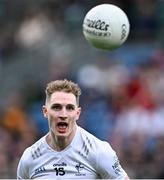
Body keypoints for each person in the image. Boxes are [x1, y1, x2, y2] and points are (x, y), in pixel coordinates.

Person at [17, 79, 129, 179]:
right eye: (57, 107)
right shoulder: (29, 157)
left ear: (77, 113)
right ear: (45, 111)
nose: (63, 114)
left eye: (70, 108)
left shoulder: (99, 151)